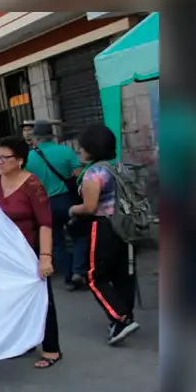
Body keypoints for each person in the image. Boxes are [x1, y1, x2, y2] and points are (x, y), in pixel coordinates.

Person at [0, 136, 61, 369]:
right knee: (12, 300)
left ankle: (52, 349)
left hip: (30, 251)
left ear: (19, 160)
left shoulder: (32, 185)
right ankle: (23, 341)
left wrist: (45, 257)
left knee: (43, 300)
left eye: (4, 158)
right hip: (3, 254)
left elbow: (45, 223)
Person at [68, 124, 140, 346]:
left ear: (93, 148)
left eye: (82, 147)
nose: (79, 151)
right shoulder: (119, 167)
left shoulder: (94, 172)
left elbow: (90, 206)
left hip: (104, 227)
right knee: (123, 275)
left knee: (94, 275)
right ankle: (126, 315)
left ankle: (119, 318)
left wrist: (73, 210)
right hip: (127, 226)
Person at [25, 120, 86, 291]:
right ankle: (78, 271)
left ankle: (68, 278)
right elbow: (79, 177)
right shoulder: (65, 151)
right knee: (80, 235)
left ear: (36, 138)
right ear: (52, 136)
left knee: (56, 242)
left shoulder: (29, 159)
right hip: (67, 200)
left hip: (43, 204)